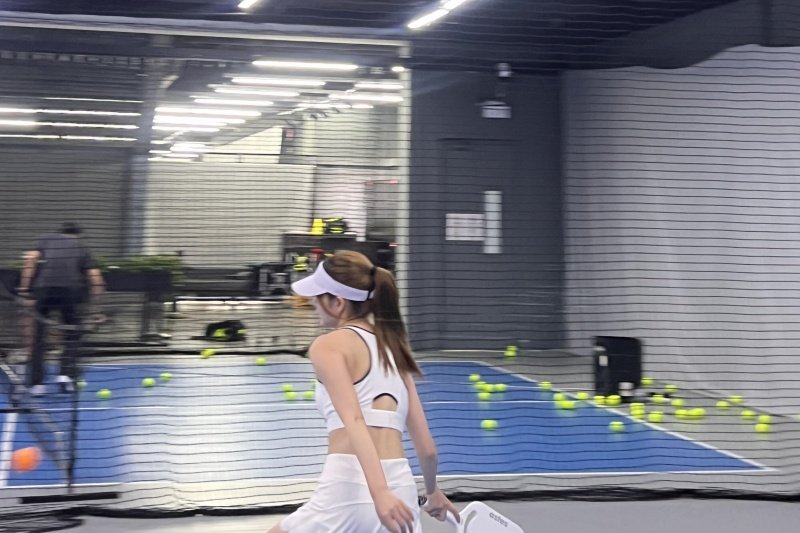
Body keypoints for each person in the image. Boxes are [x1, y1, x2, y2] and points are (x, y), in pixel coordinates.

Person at [270, 251, 459, 533]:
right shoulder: (395, 350)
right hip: (402, 494)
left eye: (318, 296)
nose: (313, 302)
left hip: (348, 489)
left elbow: (355, 420)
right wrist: (432, 491)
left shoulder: (327, 346)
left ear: (338, 302)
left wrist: (379, 493)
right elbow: (427, 449)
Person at [17, 222, 105, 395]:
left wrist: (24, 289)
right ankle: (66, 375)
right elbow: (96, 278)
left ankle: (37, 384)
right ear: (77, 235)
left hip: (44, 291)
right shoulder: (81, 247)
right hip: (71, 293)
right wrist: (96, 309)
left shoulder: (46, 240)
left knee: (38, 337)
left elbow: (30, 260)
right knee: (73, 334)